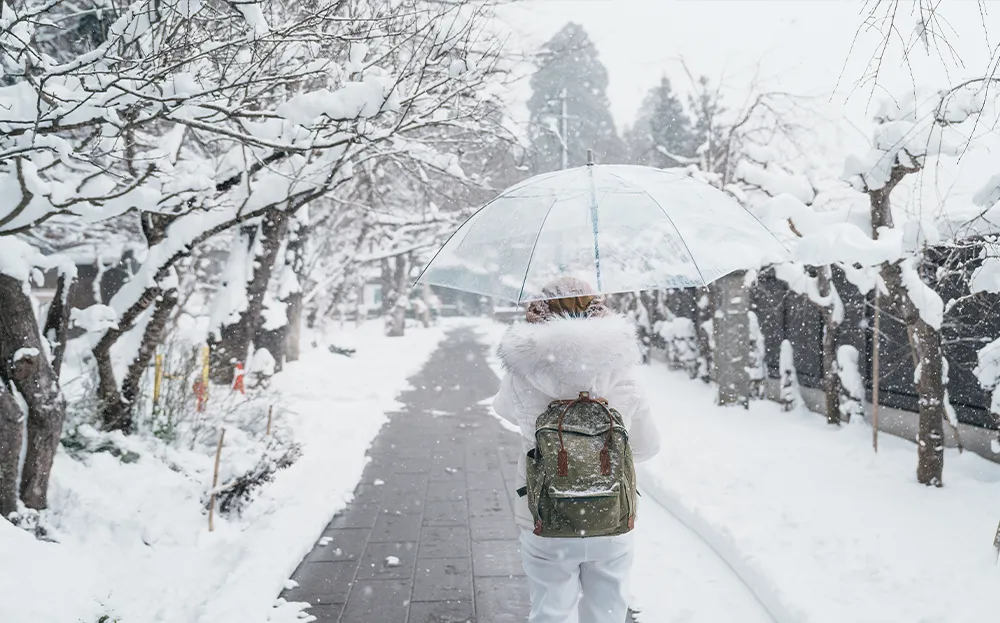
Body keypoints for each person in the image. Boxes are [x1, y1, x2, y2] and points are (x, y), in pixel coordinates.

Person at [493, 277, 661, 623]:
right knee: (608, 611)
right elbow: (647, 447)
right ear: (598, 312)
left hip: (545, 514)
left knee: (549, 611)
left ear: (540, 313)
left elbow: (503, 411)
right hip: (611, 512)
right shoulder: (623, 370)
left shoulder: (523, 371)